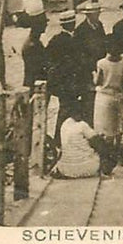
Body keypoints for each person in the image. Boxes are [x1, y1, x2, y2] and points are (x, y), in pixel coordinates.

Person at [47, 10, 86, 145]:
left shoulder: (57, 39)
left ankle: (63, 139)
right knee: (66, 110)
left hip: (69, 82)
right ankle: (59, 139)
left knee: (69, 109)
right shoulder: (67, 40)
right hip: (67, 83)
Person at [93, 38, 123, 174]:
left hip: (105, 96)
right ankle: (117, 151)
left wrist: (94, 75)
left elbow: (98, 81)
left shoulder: (101, 63)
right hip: (118, 94)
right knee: (118, 125)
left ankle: (107, 154)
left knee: (105, 126)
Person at [54, 107, 106, 179]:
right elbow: (96, 141)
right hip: (86, 168)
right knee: (101, 145)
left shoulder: (64, 124)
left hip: (65, 169)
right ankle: (104, 171)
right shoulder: (82, 125)